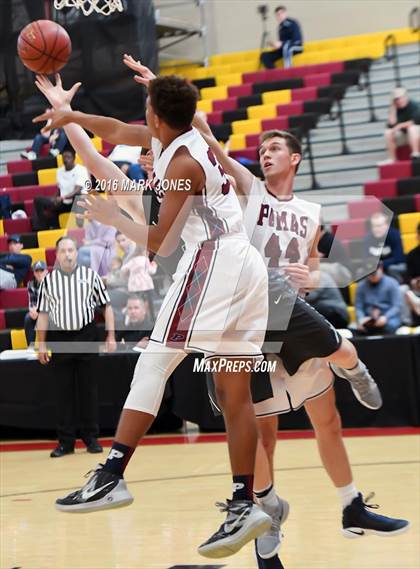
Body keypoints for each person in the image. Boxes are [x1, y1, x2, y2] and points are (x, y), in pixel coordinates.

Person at [34, 72, 272, 558]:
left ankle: (112, 474)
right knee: (233, 393)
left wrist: (113, 220)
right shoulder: (182, 136)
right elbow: (112, 138)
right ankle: (246, 501)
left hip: (214, 259)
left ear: (157, 118)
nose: (141, 123)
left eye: (146, 106)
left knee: (154, 361)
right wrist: (70, 114)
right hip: (245, 266)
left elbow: (161, 243)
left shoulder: (181, 163)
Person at [198, 127, 408, 564]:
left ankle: (352, 507)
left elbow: (317, 269)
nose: (265, 153)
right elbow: (216, 148)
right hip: (252, 325)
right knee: (262, 436)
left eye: (275, 148)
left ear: (295, 158)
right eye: (262, 149)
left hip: (291, 317)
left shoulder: (310, 213)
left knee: (328, 420)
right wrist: (194, 117)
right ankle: (266, 524)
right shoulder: (251, 190)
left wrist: (312, 277)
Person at [36, 236, 117, 457]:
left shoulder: (90, 276)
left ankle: (91, 438)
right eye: (63, 251)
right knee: (63, 392)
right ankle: (66, 442)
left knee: (88, 390)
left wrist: (111, 335)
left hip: (86, 336)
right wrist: (40, 344)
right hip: (60, 338)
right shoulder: (48, 281)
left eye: (71, 250)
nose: (68, 254)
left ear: (76, 252)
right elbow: (43, 315)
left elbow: (107, 307)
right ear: (57, 255)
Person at [32, 147, 91, 231]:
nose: (65, 160)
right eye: (64, 157)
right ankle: (45, 227)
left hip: (78, 201)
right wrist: (54, 198)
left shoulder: (81, 170)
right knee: (38, 200)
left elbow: (77, 190)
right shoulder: (59, 171)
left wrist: (63, 197)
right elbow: (60, 189)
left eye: (68, 157)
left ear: (74, 158)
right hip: (63, 202)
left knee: (79, 197)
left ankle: (80, 227)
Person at [355, 264, 402, 335]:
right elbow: (359, 307)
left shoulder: (392, 283)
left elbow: (396, 306)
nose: (373, 276)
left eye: (374, 273)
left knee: (390, 327)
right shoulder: (361, 286)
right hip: (368, 319)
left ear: (381, 269)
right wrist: (361, 319)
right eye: (370, 274)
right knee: (357, 330)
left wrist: (385, 317)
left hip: (388, 318)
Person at [363, 212, 406, 282]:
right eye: (373, 226)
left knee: (393, 268)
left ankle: (399, 287)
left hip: (393, 266)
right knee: (362, 271)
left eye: (379, 226)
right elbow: (365, 259)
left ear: (386, 225)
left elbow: (399, 258)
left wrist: (381, 264)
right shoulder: (367, 238)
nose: (376, 228)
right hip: (376, 268)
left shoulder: (395, 234)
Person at [382, 87, 420, 163]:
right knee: (388, 132)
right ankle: (392, 158)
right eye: (396, 99)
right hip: (404, 135)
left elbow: (416, 121)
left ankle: (416, 153)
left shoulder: (415, 105)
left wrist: (400, 126)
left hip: (416, 132)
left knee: (411, 128)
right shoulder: (394, 109)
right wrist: (393, 109)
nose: (399, 101)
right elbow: (391, 125)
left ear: (406, 97)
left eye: (401, 98)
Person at [260, 5, 303, 69]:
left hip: (296, 46)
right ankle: (275, 74)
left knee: (286, 47)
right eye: (277, 15)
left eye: (281, 13)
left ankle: (288, 71)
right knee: (264, 56)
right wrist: (276, 45)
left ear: (285, 13)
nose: (279, 16)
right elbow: (282, 42)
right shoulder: (280, 27)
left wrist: (282, 44)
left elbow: (297, 40)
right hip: (285, 47)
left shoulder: (292, 23)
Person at [120, 245, 157, 319]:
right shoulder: (146, 260)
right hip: (146, 285)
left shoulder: (132, 260)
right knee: (150, 303)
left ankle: (136, 318)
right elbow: (151, 271)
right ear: (144, 251)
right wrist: (154, 266)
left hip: (134, 286)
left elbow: (123, 270)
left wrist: (129, 275)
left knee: (136, 303)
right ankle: (151, 318)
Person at [24, 260, 48, 345]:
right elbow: (32, 302)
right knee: (28, 318)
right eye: (37, 271)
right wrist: (33, 311)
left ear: (46, 271)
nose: (39, 273)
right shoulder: (31, 284)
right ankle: (30, 347)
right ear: (34, 273)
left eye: (42, 270)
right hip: (40, 312)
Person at [403, 222, 420, 323]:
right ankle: (406, 323)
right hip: (417, 289)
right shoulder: (412, 255)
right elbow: (407, 277)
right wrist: (416, 282)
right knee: (403, 289)